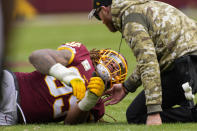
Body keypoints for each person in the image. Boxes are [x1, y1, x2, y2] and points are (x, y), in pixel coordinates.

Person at [88, 0, 197, 125]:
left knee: (135, 115)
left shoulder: (130, 20)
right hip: (188, 63)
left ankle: (193, 114)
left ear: (105, 9)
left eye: (98, 15)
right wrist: (126, 87)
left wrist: (153, 112)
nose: (101, 21)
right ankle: (186, 107)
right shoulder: (141, 6)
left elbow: (149, 64)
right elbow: (154, 57)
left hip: (186, 66)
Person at [0, 41, 128, 125]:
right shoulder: (81, 54)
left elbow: (69, 124)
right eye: (111, 63)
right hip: (11, 86)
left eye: (115, 70)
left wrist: (89, 100)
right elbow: (36, 56)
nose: (110, 68)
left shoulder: (97, 106)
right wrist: (67, 76)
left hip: (15, 117)